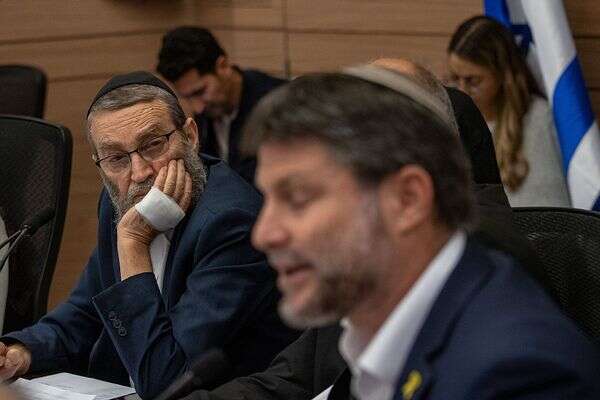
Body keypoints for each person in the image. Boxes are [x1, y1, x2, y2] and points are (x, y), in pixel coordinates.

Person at [196, 65, 598, 399]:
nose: (264, 234)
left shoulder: (514, 375)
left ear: (407, 199)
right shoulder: (374, 320)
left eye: (298, 199)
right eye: (268, 199)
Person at [0, 72, 298, 399]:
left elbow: (167, 381)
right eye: (116, 158)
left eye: (153, 144)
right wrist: (21, 353)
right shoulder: (118, 200)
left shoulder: (231, 222)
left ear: (190, 136)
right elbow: (85, 312)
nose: (140, 173)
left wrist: (132, 244)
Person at [447, 15, 570, 207]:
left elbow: (549, 211)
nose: (462, 90)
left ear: (503, 75)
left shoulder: (538, 119)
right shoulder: (448, 118)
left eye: (473, 81)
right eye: (455, 78)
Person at [157, 26, 286, 185]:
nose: (197, 108)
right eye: (187, 97)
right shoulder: (206, 111)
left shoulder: (278, 105)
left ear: (223, 66)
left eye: (200, 91)